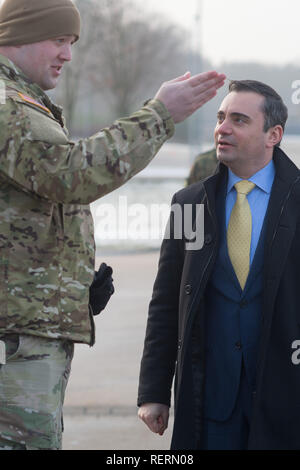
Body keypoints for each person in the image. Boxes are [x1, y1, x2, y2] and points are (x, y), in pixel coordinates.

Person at [0, 0, 226, 450]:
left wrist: (70, 288)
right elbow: (71, 174)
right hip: (19, 337)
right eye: (59, 40)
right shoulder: (9, 105)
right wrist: (160, 114)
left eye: (73, 43)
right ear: (16, 36)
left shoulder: (26, 103)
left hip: (29, 325)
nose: (68, 55)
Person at [138, 80, 300, 450]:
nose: (222, 128)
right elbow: (166, 301)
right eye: (221, 117)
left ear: (272, 134)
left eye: (239, 120)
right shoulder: (189, 204)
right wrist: (153, 391)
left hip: (286, 402)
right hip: (209, 405)